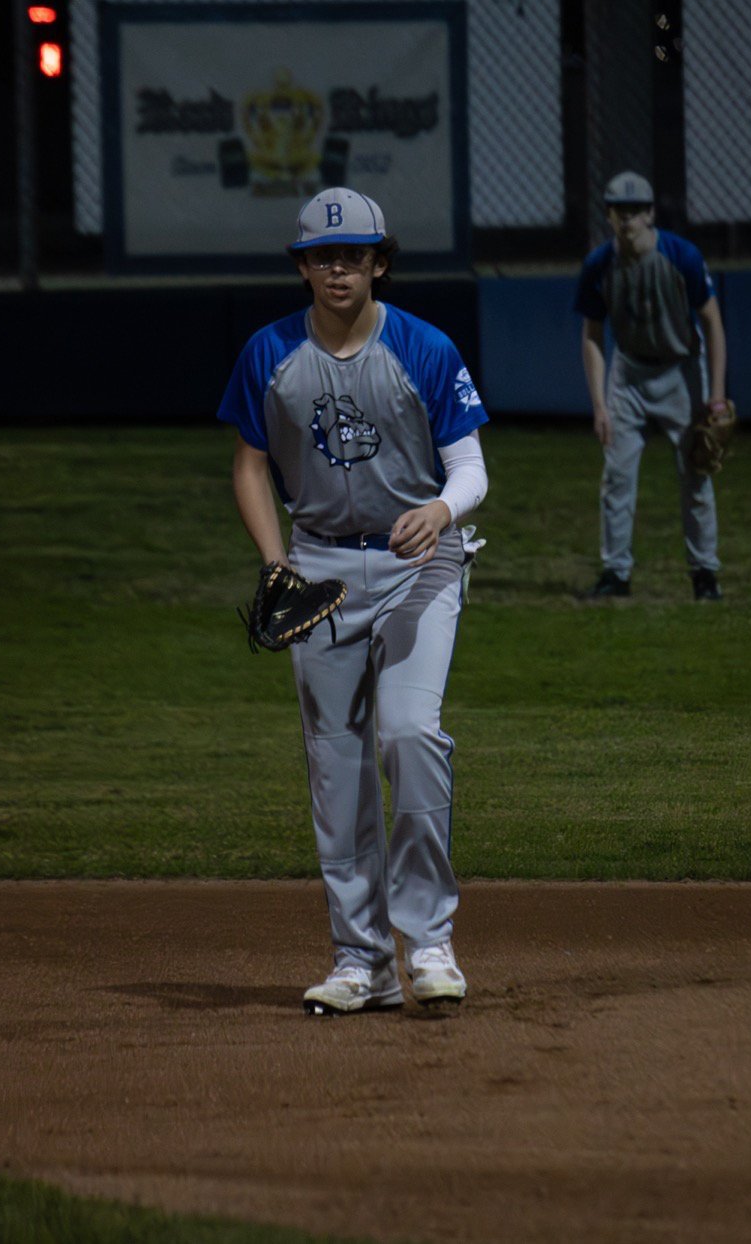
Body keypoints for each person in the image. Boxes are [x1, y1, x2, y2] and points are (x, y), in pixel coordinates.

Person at [218, 187, 489, 1015]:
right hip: (319, 571)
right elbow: (249, 465)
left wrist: (440, 510)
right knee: (336, 768)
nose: (338, 269)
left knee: (408, 732)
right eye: (322, 257)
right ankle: (361, 962)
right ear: (303, 267)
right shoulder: (269, 353)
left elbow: (469, 468)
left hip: (420, 567)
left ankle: (430, 944)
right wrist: (276, 565)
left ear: (379, 263)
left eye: (354, 255)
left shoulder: (423, 347)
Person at [574, 170, 729, 601]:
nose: (627, 218)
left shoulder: (681, 256)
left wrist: (716, 395)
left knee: (696, 476)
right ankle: (616, 574)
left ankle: (705, 574)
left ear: (650, 214)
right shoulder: (599, 265)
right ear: (608, 215)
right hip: (629, 373)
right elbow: (591, 336)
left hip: (680, 370)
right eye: (619, 210)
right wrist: (600, 405)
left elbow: (712, 323)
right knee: (617, 477)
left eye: (635, 209)